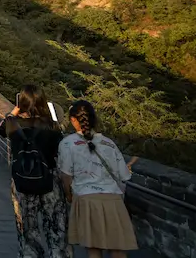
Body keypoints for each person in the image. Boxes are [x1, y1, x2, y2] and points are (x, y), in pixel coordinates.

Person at [0, 85, 71, 258]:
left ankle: (30, 255)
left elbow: (0, 129)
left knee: (27, 229)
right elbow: (59, 148)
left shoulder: (12, 125)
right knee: (56, 228)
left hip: (22, 181)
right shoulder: (51, 126)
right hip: (49, 180)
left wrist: (15, 111)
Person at [58, 100, 138, 258]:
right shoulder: (109, 143)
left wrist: (69, 195)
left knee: (94, 248)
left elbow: (66, 176)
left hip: (86, 199)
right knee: (118, 248)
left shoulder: (67, 143)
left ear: (73, 120)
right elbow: (124, 175)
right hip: (113, 200)